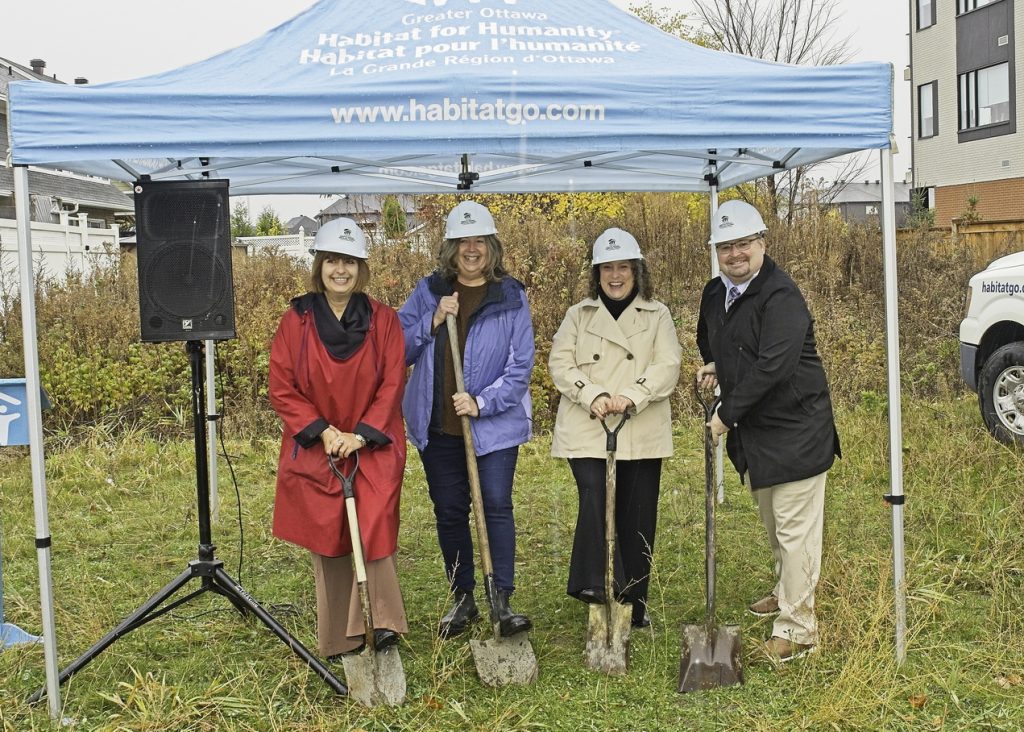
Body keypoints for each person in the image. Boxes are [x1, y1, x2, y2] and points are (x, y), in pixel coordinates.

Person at [696, 199, 840, 662]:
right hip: (756, 431)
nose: (735, 254)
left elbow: (773, 367)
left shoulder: (781, 296)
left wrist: (724, 414)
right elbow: (709, 336)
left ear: (762, 243)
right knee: (774, 524)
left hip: (796, 427)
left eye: (743, 244)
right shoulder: (715, 293)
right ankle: (786, 591)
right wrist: (716, 363)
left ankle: (798, 629)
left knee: (796, 530)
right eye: (726, 247)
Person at [269, 217, 408, 658]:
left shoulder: (384, 320)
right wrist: (324, 431)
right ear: (319, 266)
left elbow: (391, 382)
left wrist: (362, 436)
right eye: (332, 260)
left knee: (374, 523)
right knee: (329, 536)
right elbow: (282, 385)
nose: (340, 270)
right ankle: (339, 637)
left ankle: (380, 620)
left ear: (361, 268)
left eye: (349, 261)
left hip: (373, 442)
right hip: (319, 445)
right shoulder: (296, 320)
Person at [399, 200, 535, 639]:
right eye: (463, 241)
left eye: (479, 240)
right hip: (439, 427)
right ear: (450, 247)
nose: (471, 249)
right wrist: (433, 321)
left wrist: (482, 402)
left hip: (492, 427)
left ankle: (502, 598)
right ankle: (463, 598)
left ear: (491, 247)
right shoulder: (429, 290)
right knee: (451, 512)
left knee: (495, 507)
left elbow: (520, 367)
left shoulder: (511, 296)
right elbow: (397, 348)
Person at [549, 228, 682, 629]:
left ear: (637, 271)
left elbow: (668, 364)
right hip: (588, 428)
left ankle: (633, 603)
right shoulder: (578, 314)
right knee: (597, 495)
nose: (616, 275)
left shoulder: (657, 314)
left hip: (639, 427)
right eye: (607, 267)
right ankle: (596, 584)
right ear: (597, 273)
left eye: (623, 267)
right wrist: (590, 393)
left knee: (637, 515)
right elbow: (560, 363)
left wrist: (633, 395)